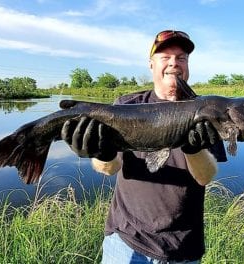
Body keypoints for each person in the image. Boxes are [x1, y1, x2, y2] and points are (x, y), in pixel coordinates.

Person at [61, 30, 227, 263]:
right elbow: (109, 168)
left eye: (181, 58)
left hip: (183, 248)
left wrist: (193, 148)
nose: (174, 64)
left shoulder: (208, 110)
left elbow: (205, 177)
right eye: (165, 57)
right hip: (126, 242)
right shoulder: (126, 105)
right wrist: (103, 152)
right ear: (151, 64)